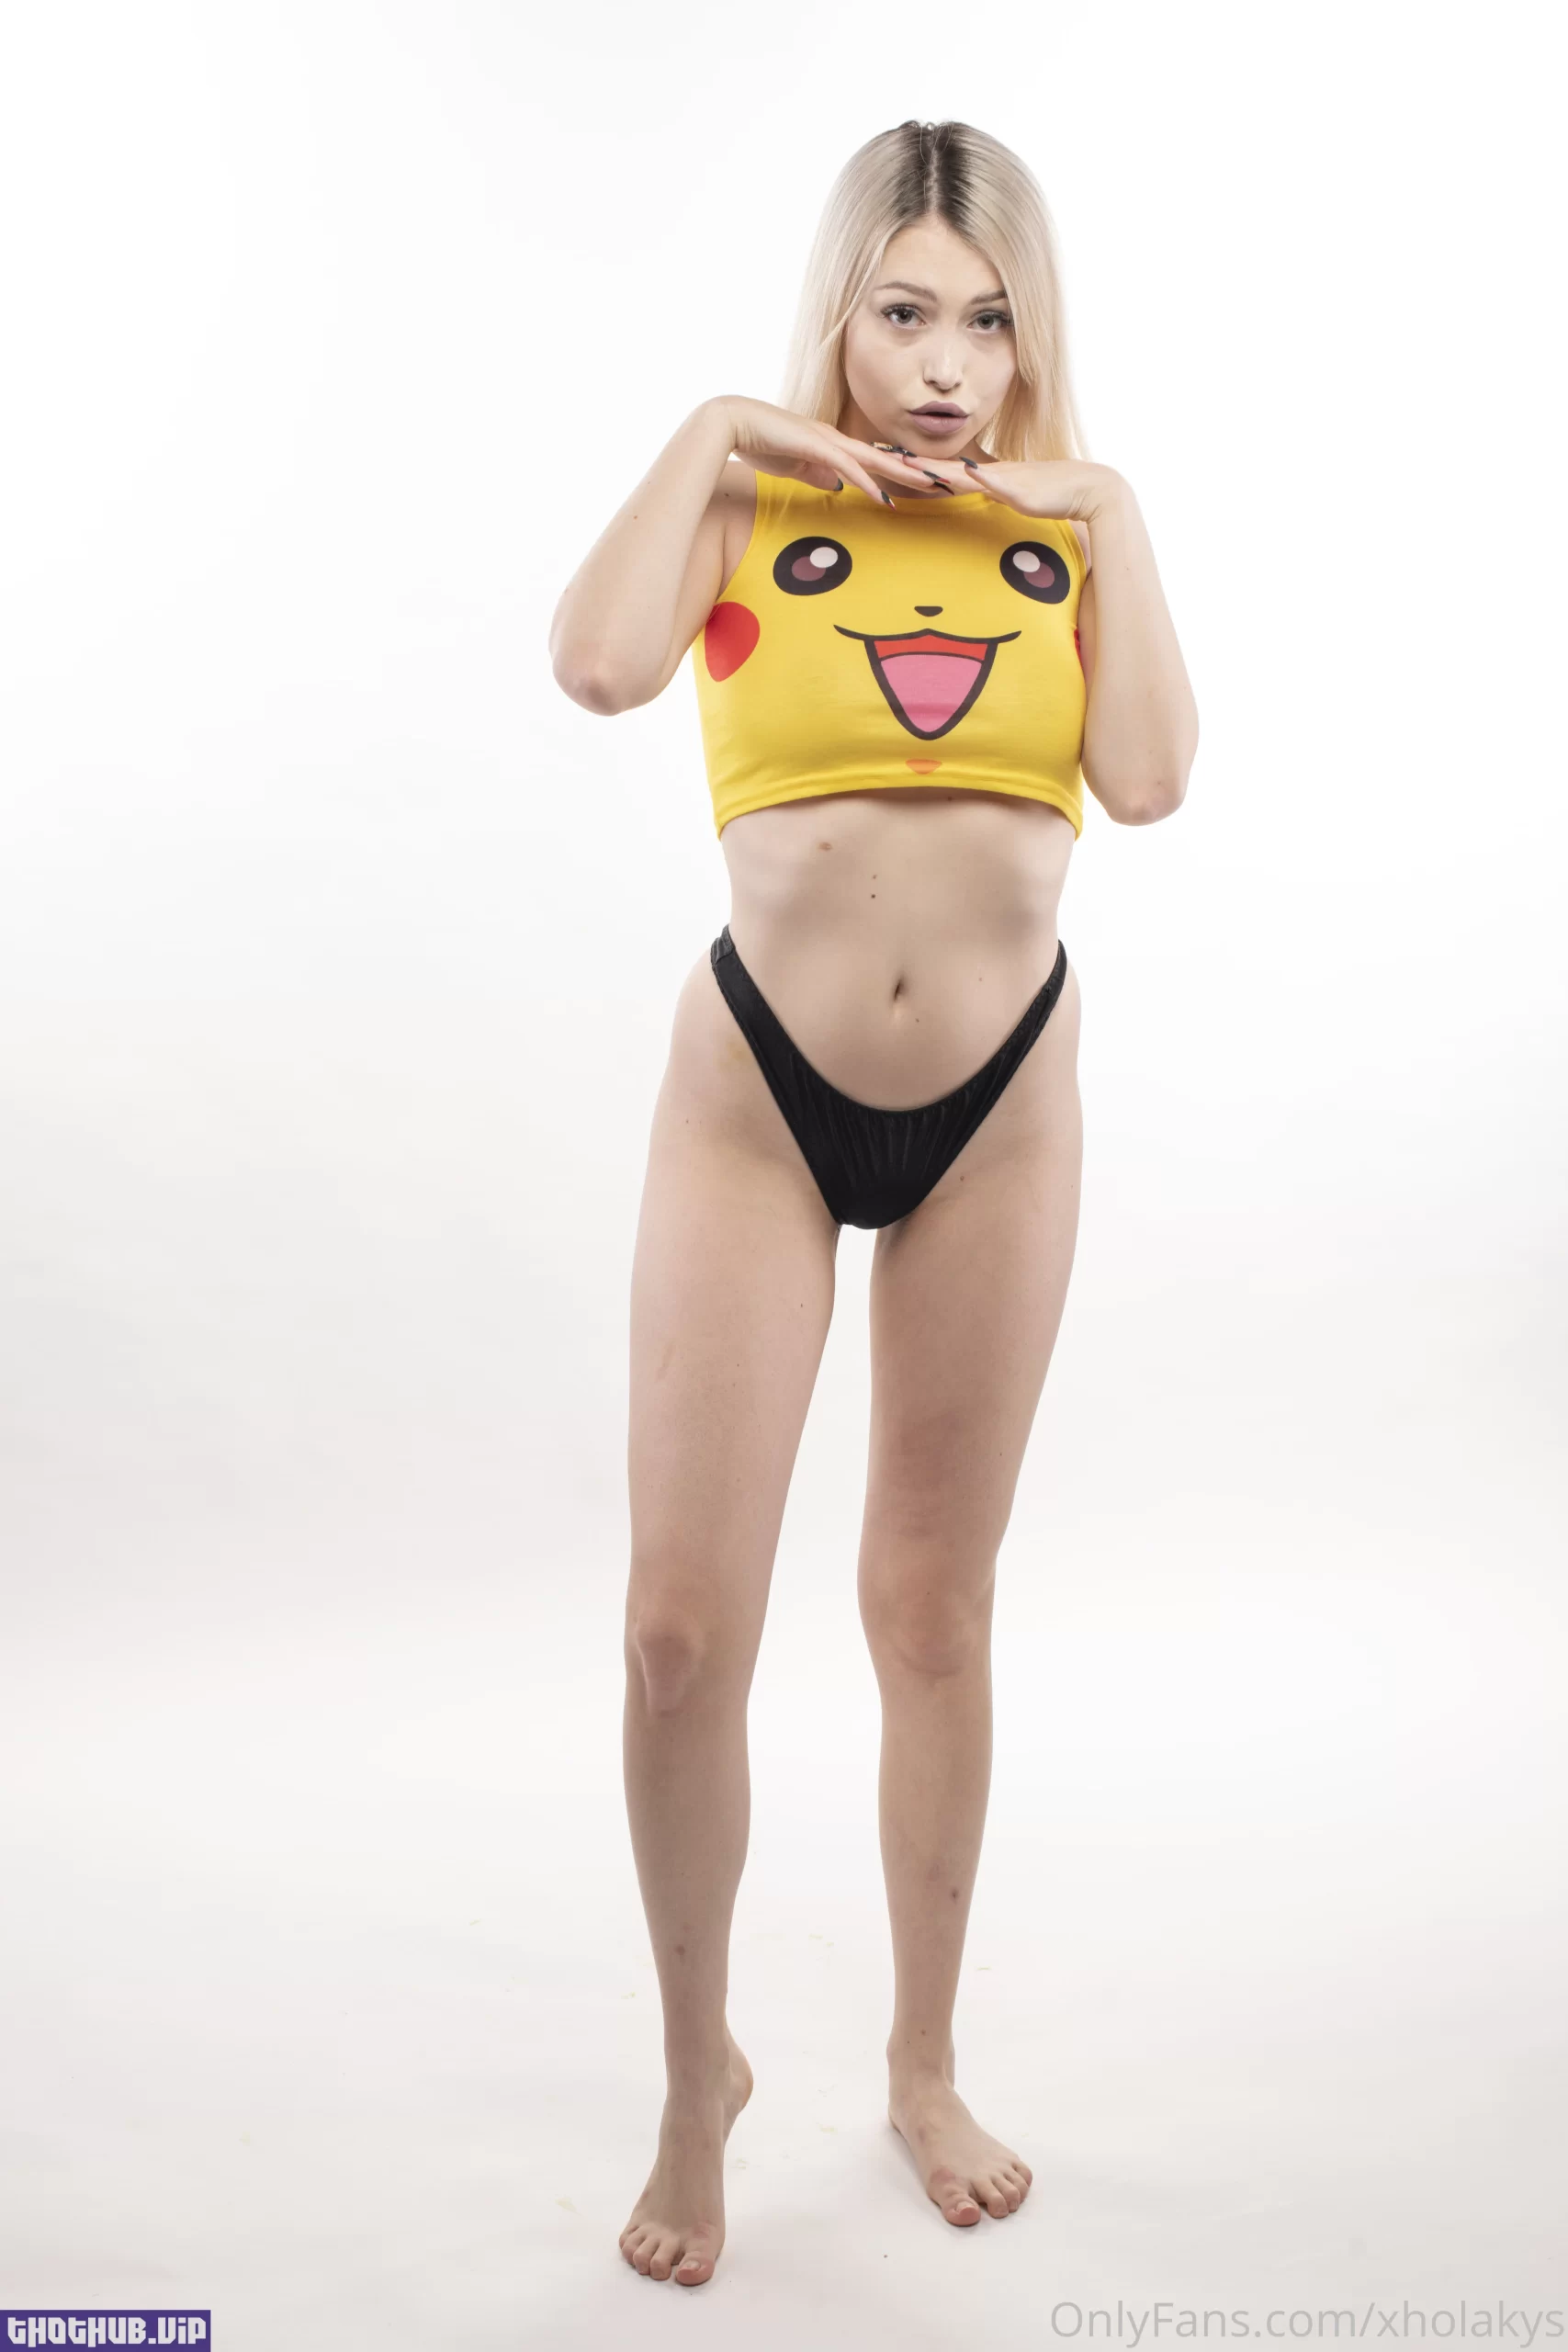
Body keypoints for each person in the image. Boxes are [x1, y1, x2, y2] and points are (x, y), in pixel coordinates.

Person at [548, 117, 1198, 2290]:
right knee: (675, 1633)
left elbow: (1148, 779)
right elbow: (596, 663)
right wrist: (716, 427)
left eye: (986, 322)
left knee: (930, 1608)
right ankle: (695, 2075)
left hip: (1001, 1110)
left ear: (1029, 338)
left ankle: (921, 2063)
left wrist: (1106, 507)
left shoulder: (1067, 526)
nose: (941, 365)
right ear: (838, 313)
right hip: (756, 1097)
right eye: (902, 312)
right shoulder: (749, 499)